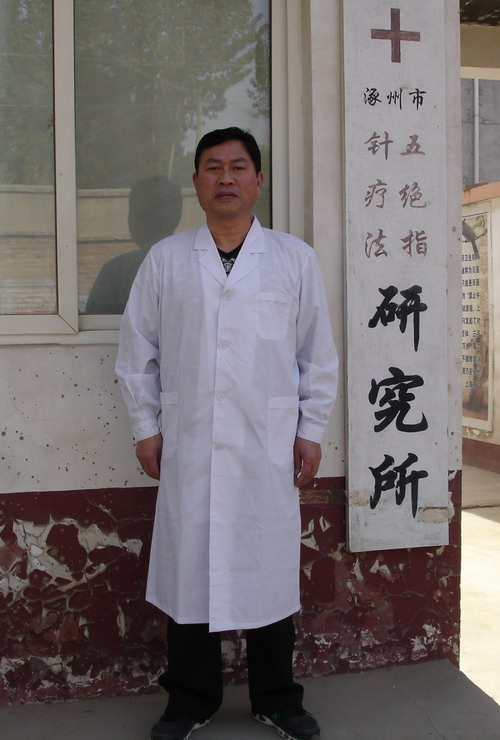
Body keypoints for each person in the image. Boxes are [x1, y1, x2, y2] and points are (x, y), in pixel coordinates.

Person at [115, 127, 338, 740]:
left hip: (267, 445)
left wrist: (311, 429)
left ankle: (277, 698)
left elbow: (316, 355)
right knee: (190, 569)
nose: (226, 178)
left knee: (268, 567)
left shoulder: (293, 258)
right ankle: (189, 700)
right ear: (196, 182)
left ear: (258, 180)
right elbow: (137, 353)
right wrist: (145, 428)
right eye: (212, 167)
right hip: (188, 441)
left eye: (238, 166)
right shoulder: (166, 260)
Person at [85, 176, 182, 314]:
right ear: (176, 218)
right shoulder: (202, 265)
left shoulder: (116, 271)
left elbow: (95, 323)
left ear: (134, 219)